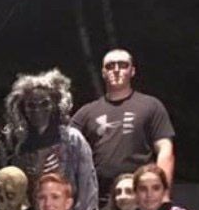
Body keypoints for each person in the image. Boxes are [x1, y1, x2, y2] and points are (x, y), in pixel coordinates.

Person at [3, 71, 99, 210]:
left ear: (55, 104)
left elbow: (87, 186)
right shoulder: (20, 146)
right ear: (22, 108)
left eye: (44, 103)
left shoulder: (71, 139)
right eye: (31, 105)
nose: (37, 110)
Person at [74, 50, 176, 193]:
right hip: (98, 197)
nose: (116, 70)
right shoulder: (86, 112)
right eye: (110, 66)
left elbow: (165, 149)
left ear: (132, 71)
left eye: (122, 65)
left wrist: (162, 192)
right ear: (103, 72)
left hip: (141, 195)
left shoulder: (150, 105)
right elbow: (66, 147)